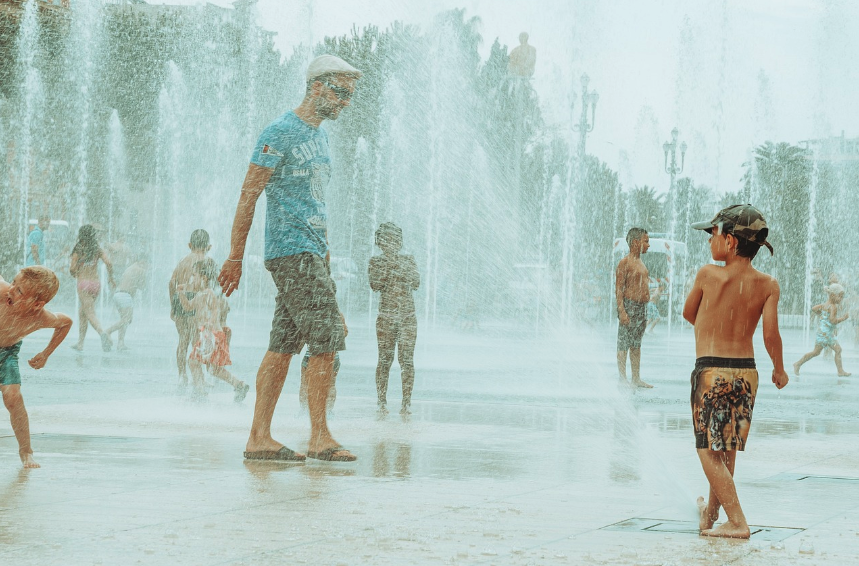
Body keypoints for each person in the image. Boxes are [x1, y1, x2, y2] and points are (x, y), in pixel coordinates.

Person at [218, 54, 361, 462]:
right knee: (327, 340)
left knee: (283, 345)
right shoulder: (279, 132)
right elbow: (250, 193)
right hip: (290, 250)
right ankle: (320, 437)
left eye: (349, 95)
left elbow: (317, 204)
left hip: (312, 253)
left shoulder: (322, 137)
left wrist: (327, 265)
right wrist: (234, 256)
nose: (345, 103)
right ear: (317, 87)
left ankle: (259, 437)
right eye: (341, 93)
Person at [684, 204, 789, 539]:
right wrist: (780, 369)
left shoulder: (707, 274)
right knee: (725, 447)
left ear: (729, 241)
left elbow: (689, 314)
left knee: (706, 448)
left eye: (712, 234)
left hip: (712, 369)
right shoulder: (767, 284)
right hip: (746, 373)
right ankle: (712, 514)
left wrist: (712, 323)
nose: (709, 241)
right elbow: (770, 334)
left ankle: (738, 521)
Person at [0, 266, 72, 468]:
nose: (11, 290)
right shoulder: (2, 291)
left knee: (13, 397)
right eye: (13, 282)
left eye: (19, 290)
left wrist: (46, 353)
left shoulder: (41, 318)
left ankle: (26, 452)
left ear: (37, 304)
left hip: (6, 352)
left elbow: (65, 323)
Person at [178, 258, 250, 402]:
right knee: (214, 369)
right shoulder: (200, 294)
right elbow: (188, 307)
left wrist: (211, 323)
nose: (192, 279)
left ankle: (200, 391)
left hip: (211, 334)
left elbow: (216, 309)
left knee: (193, 362)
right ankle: (239, 384)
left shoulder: (208, 293)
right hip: (210, 335)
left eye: (194, 275)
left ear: (203, 277)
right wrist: (180, 293)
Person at [368, 222, 420, 415]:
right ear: (380, 243)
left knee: (407, 361)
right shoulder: (376, 262)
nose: (392, 243)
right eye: (386, 239)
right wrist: (389, 266)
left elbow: (416, 282)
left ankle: (406, 403)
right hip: (386, 318)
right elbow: (375, 285)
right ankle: (381, 402)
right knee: (384, 360)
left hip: (408, 318)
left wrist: (401, 267)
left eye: (395, 239)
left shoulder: (408, 260)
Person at [169, 229, 211, 386]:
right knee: (197, 341)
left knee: (183, 341)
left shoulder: (183, 261)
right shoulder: (205, 262)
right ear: (208, 246)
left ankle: (182, 376)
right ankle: (198, 378)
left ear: (190, 245)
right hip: (197, 301)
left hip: (180, 299)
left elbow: (171, 283)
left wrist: (173, 305)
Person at [615, 227, 653, 388]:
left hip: (640, 308)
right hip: (629, 307)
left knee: (636, 344)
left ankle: (636, 378)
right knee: (624, 344)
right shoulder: (625, 262)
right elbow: (619, 289)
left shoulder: (641, 263)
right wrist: (622, 311)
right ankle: (623, 378)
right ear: (636, 242)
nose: (648, 245)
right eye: (646, 241)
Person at [69, 224, 115, 352]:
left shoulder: (78, 248)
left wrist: (75, 273)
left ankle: (103, 333)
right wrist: (111, 278)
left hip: (83, 284)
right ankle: (80, 343)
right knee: (82, 313)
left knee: (90, 313)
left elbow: (72, 269)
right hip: (95, 285)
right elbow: (109, 263)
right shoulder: (97, 249)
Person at [793, 283, 851, 377]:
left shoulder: (825, 305)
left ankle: (798, 363)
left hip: (822, 333)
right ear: (832, 295)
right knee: (837, 350)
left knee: (816, 352)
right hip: (826, 334)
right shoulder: (833, 306)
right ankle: (840, 371)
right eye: (840, 296)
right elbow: (832, 321)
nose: (841, 299)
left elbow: (814, 308)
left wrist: (822, 315)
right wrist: (843, 318)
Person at [105, 256, 148, 351]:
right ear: (143, 261)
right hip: (126, 295)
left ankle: (121, 343)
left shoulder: (130, 267)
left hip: (118, 294)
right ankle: (108, 331)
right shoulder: (141, 270)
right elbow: (142, 287)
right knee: (127, 320)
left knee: (123, 320)